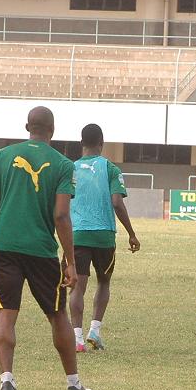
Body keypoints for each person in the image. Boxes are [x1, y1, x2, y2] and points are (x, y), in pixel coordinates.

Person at [0, 106, 93, 390]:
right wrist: (70, 261)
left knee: (5, 314)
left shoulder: (1, 157)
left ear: (27, 126)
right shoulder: (63, 164)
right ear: (53, 130)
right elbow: (61, 216)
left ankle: (7, 379)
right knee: (58, 315)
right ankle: (73, 384)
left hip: (4, 247)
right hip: (41, 250)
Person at [69, 123, 140, 353]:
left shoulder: (70, 169)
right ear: (102, 143)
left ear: (81, 143)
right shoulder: (111, 168)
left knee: (78, 286)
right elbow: (117, 203)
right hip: (104, 236)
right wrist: (131, 233)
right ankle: (95, 331)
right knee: (103, 282)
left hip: (78, 234)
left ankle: (77, 339)